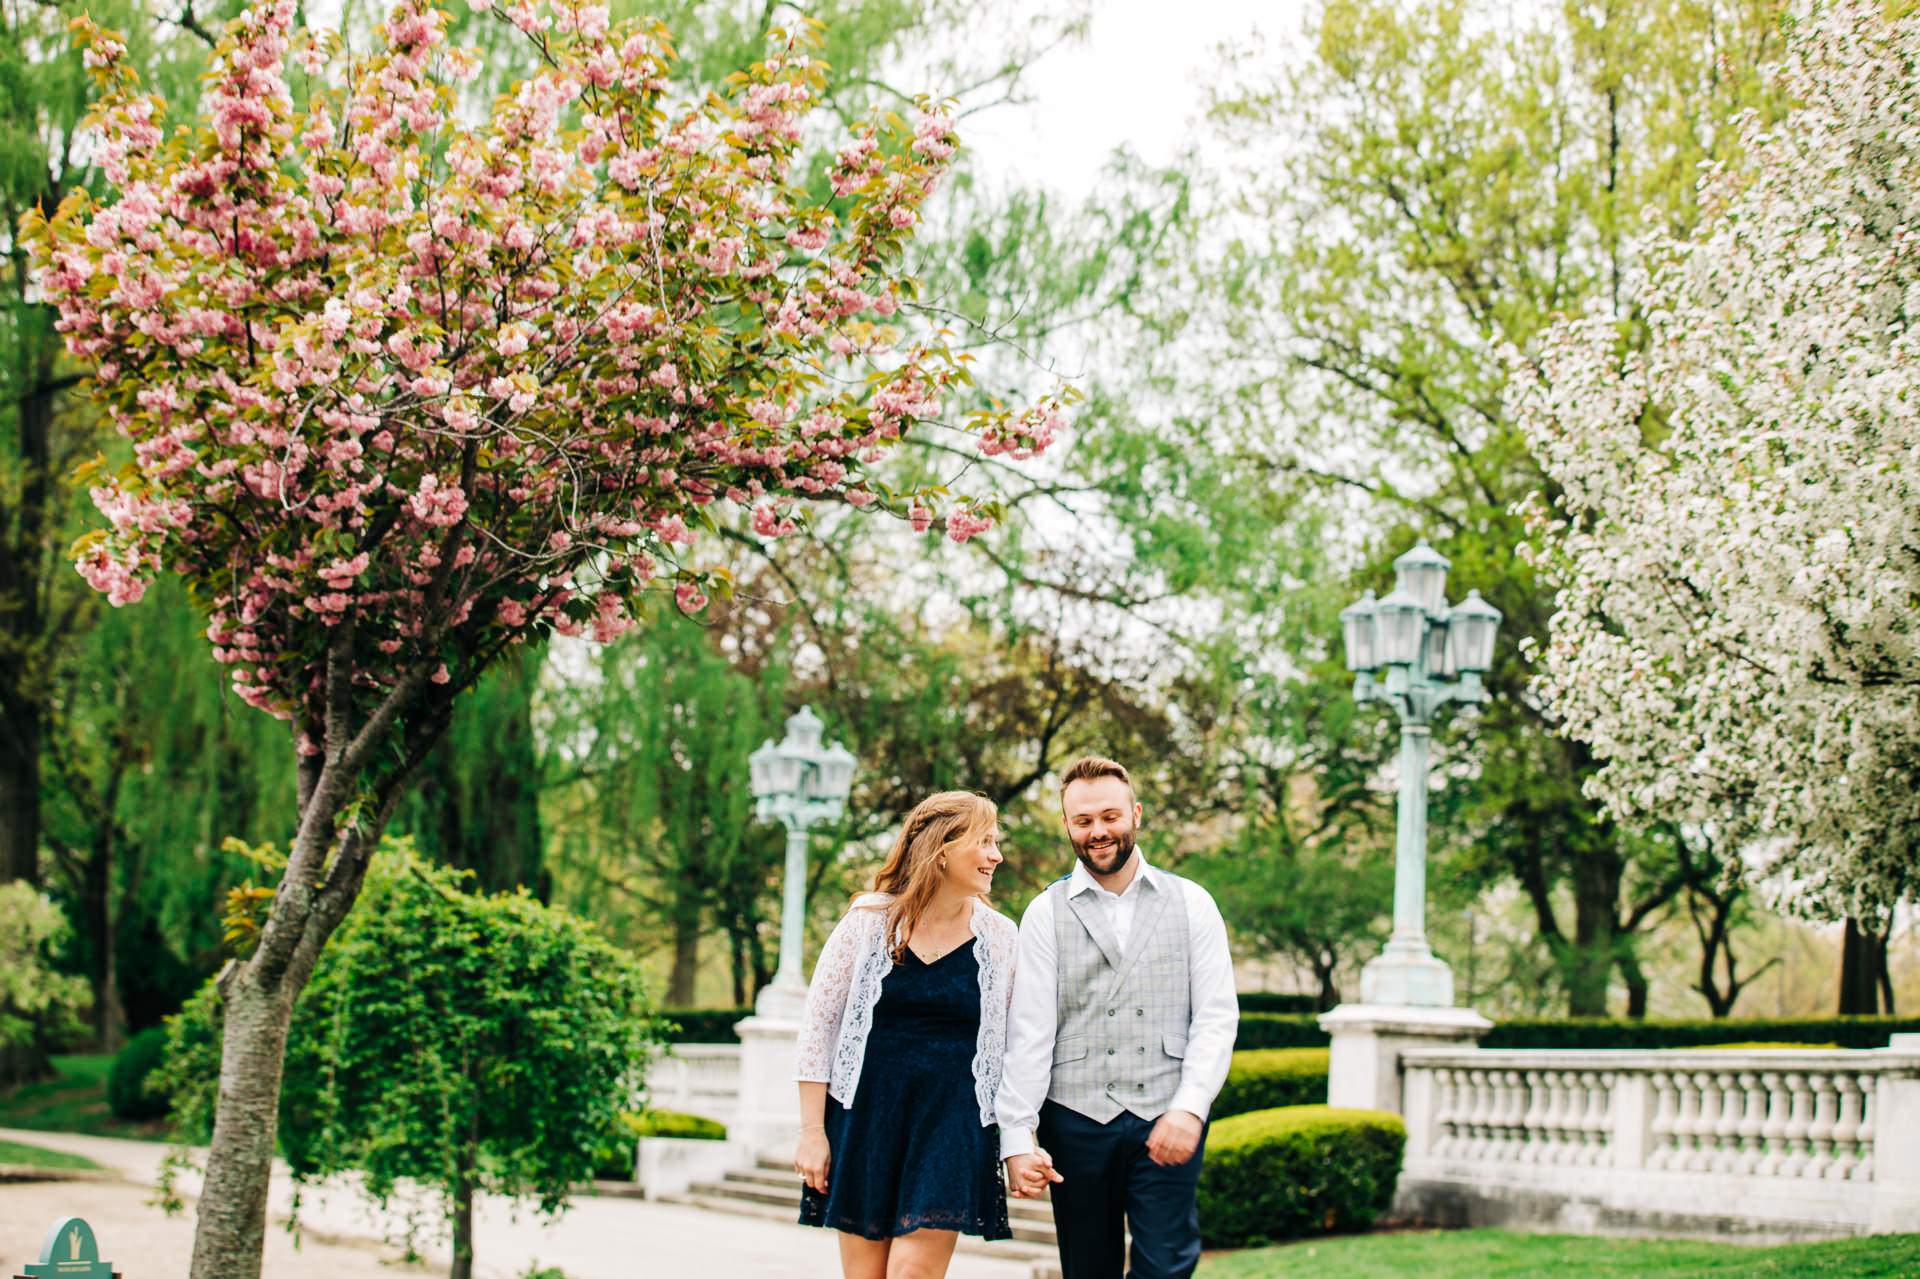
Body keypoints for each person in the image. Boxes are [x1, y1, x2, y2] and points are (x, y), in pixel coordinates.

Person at [994, 756, 1239, 1279]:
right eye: (1083, 821)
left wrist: (1191, 1108)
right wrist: (1017, 1137)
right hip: (1074, 1118)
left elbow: (1216, 1016)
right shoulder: (1044, 912)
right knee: (1087, 1270)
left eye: (1110, 816)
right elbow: (1031, 1033)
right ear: (1067, 825)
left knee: (1167, 1265)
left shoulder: (1193, 903)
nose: (1098, 831)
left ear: (1136, 814)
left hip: (1165, 1111)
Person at [793, 790, 1020, 1279]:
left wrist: (1022, 1139)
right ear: (942, 850)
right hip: (867, 1118)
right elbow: (818, 1031)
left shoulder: (1001, 938)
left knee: (913, 1271)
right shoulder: (868, 922)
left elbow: (1019, 1047)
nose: (995, 856)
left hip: (951, 1124)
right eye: (984, 842)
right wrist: (813, 1133)